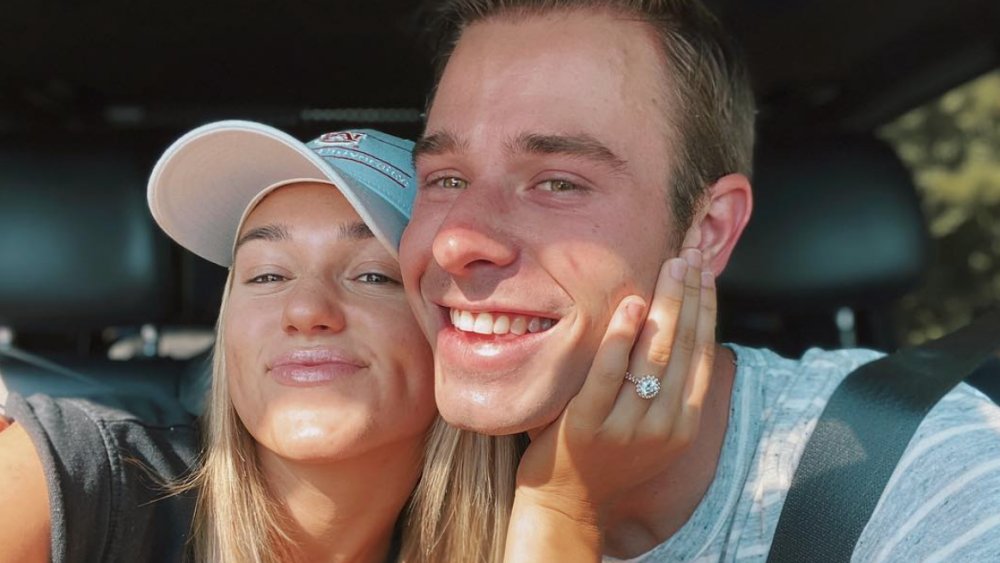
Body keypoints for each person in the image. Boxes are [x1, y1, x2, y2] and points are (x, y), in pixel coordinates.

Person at [399, 1, 1000, 561]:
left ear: (707, 231)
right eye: (446, 179)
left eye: (558, 182)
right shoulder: (379, 470)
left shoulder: (923, 474)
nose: (456, 242)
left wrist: (560, 506)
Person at [0, 119, 713, 562]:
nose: (306, 308)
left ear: (463, 333)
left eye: (372, 273)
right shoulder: (78, 474)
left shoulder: (543, 519)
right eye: (267, 272)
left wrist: (563, 514)